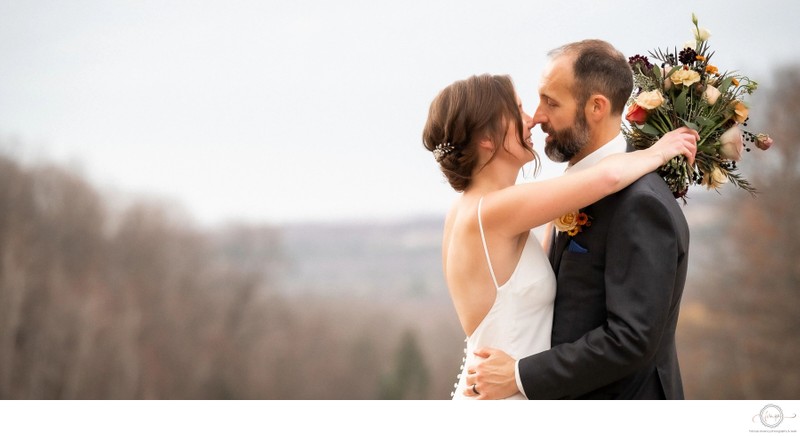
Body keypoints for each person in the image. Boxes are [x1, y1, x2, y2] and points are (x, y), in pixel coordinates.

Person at [422, 70, 698, 400]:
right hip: (505, 395)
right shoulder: (492, 212)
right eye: (519, 108)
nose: (532, 120)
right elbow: (608, 177)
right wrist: (660, 150)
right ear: (486, 137)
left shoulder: (472, 209)